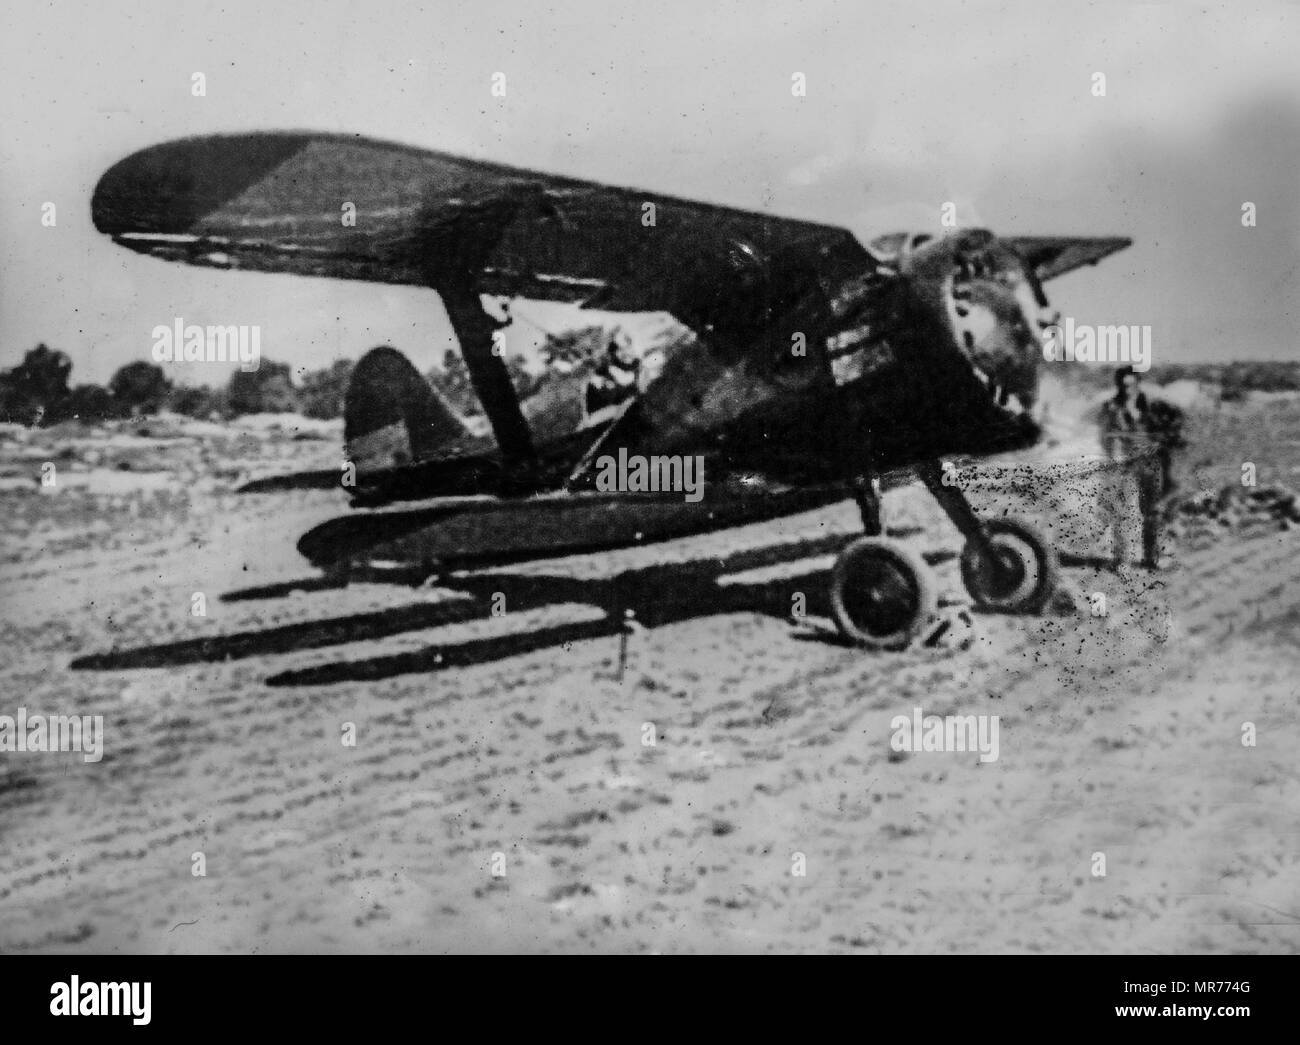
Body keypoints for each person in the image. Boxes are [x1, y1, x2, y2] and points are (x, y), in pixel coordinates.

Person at [1098, 366, 1184, 570]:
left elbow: (1171, 425)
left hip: (1150, 462)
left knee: (1153, 511)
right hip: (1124, 463)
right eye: (1123, 385)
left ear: (1137, 383)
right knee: (1122, 512)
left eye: (1131, 384)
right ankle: (1122, 560)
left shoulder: (1152, 405)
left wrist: (1162, 442)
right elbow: (1105, 436)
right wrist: (1112, 457)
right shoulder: (1111, 406)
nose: (1127, 389)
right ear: (1118, 385)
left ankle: (1152, 558)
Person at [583, 328, 641, 417]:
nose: (624, 352)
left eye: (627, 348)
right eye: (620, 349)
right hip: (599, 405)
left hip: (614, 403)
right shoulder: (608, 364)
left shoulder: (633, 370)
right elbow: (594, 377)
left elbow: (629, 385)